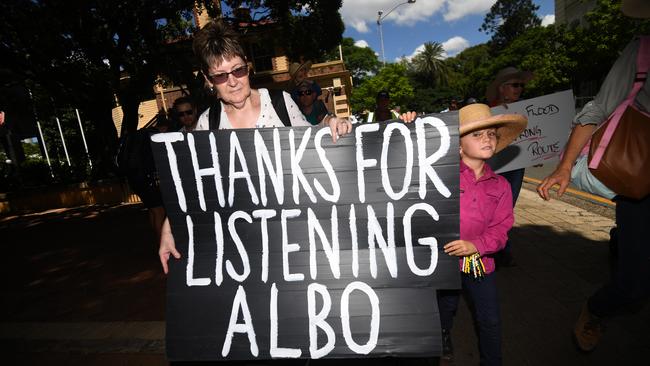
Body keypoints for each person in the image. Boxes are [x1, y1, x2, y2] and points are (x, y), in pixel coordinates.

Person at [158, 19, 354, 273]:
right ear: (208, 80)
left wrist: (332, 122)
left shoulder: (280, 103)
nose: (232, 81)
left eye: (238, 70)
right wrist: (168, 229)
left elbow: (314, 148)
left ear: (248, 68)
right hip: (245, 249)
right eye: (220, 76)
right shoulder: (208, 122)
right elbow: (193, 185)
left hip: (293, 238)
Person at [537, 0, 650, 353]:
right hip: (640, 182)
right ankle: (598, 308)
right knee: (634, 285)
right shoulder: (641, 50)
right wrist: (565, 166)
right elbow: (598, 108)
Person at [437, 103, 526, 366]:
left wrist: (476, 245)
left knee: (490, 319)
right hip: (446, 262)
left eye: (491, 134)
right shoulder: (442, 178)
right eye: (477, 134)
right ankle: (442, 338)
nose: (487, 138)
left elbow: (502, 228)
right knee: (446, 306)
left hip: (480, 263)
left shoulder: (501, 186)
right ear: (459, 145)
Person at [485, 66, 533, 267]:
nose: (519, 89)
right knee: (490, 208)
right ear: (502, 88)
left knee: (507, 208)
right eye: (515, 85)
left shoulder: (527, 109)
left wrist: (534, 153)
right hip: (493, 167)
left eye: (521, 85)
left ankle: (501, 248)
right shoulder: (488, 111)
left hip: (516, 167)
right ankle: (492, 248)